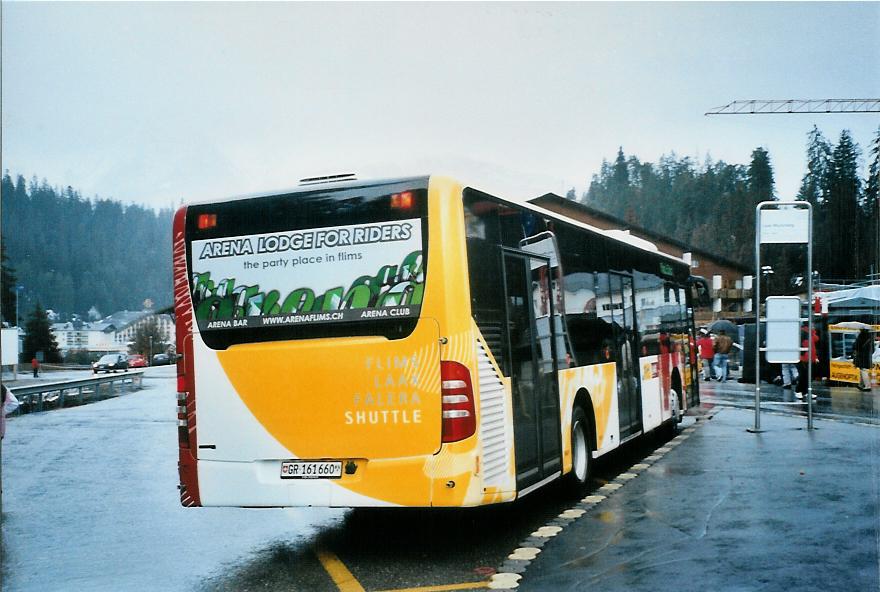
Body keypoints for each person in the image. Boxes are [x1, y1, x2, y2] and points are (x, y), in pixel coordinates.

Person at [795, 326, 819, 399]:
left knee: (807, 375)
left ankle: (805, 391)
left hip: (808, 357)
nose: (814, 326)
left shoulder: (810, 333)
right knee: (804, 374)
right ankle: (798, 390)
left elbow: (813, 344)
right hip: (803, 357)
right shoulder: (804, 333)